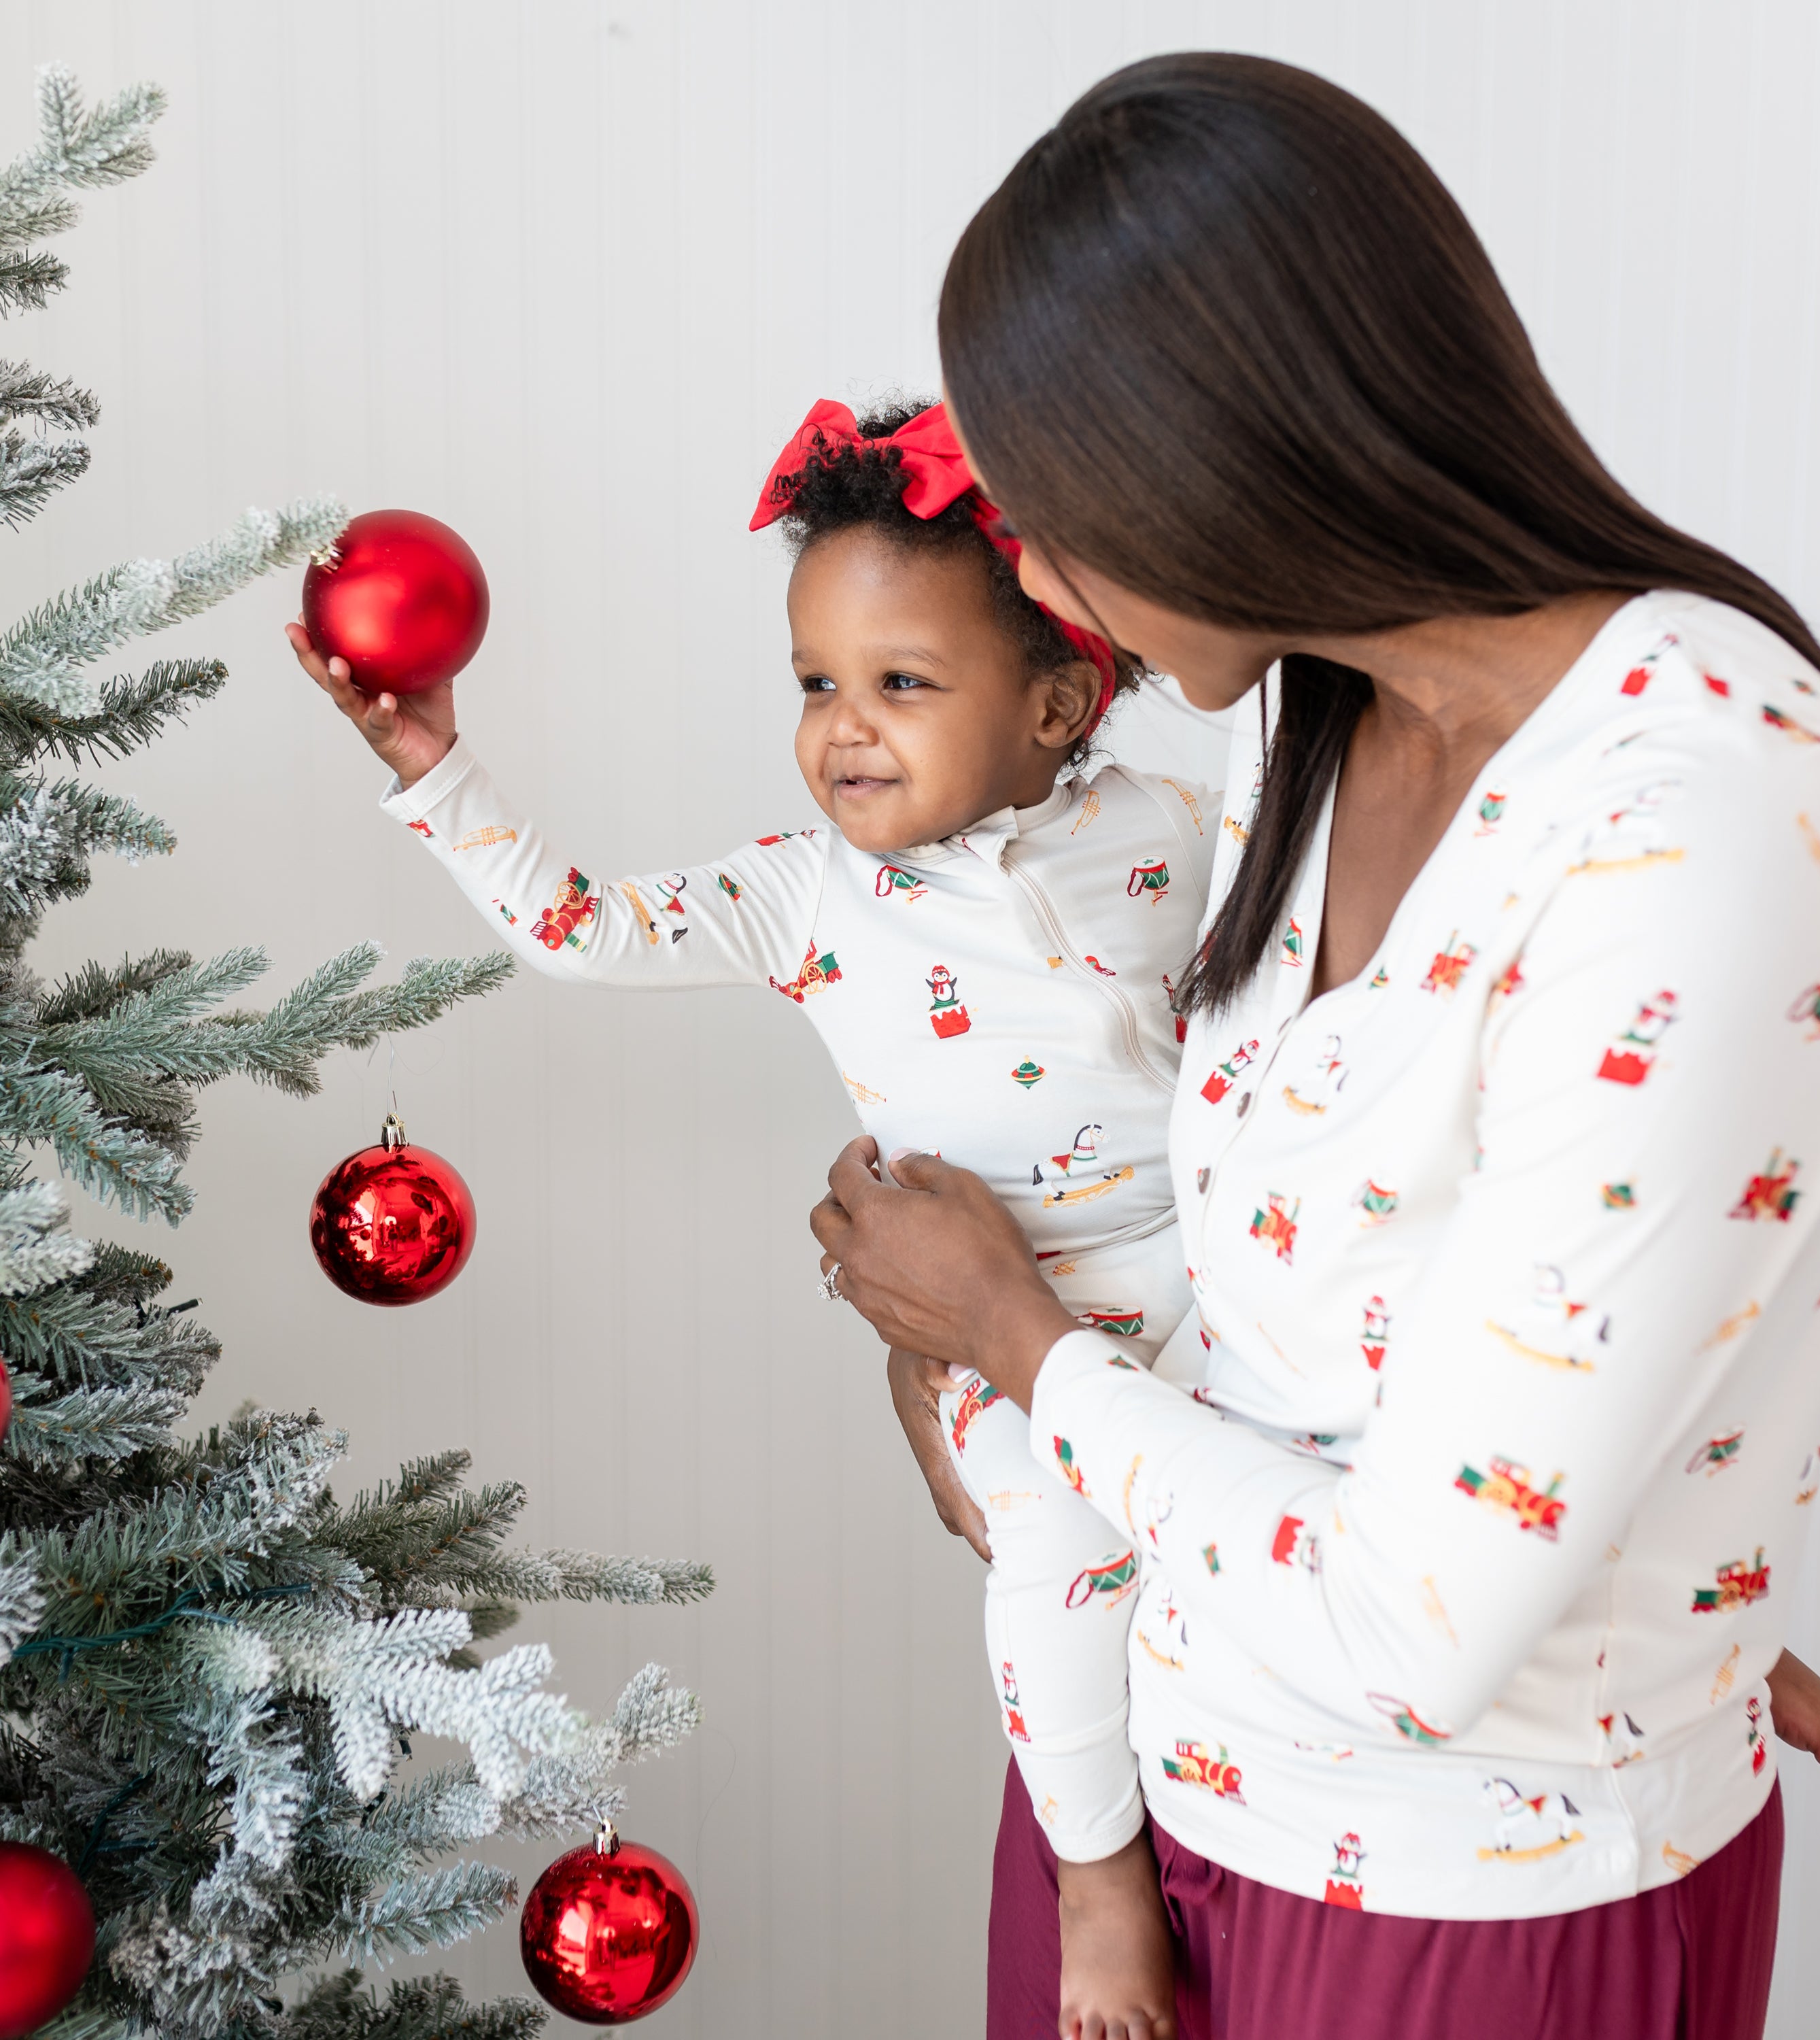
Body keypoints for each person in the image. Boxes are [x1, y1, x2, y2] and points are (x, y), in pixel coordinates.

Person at [809, 53, 1820, 2040]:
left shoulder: (1705, 826)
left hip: (1453, 1908)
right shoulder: (1308, 721)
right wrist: (993, 1390)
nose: (1038, 592)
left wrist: (1018, 1349)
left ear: (1215, 463)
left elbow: (1422, 1632)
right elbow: (1299, 1301)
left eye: (1050, 525)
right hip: (1146, 1819)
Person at [288, 397, 1218, 2039]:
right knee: (1055, 1579)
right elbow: (583, 928)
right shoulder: (810, 893)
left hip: (1218, 1276)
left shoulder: (1162, 834)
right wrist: (440, 771)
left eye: (900, 684)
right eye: (816, 684)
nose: (843, 727)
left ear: (1062, 701)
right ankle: (1100, 1880)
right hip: (1001, 1338)